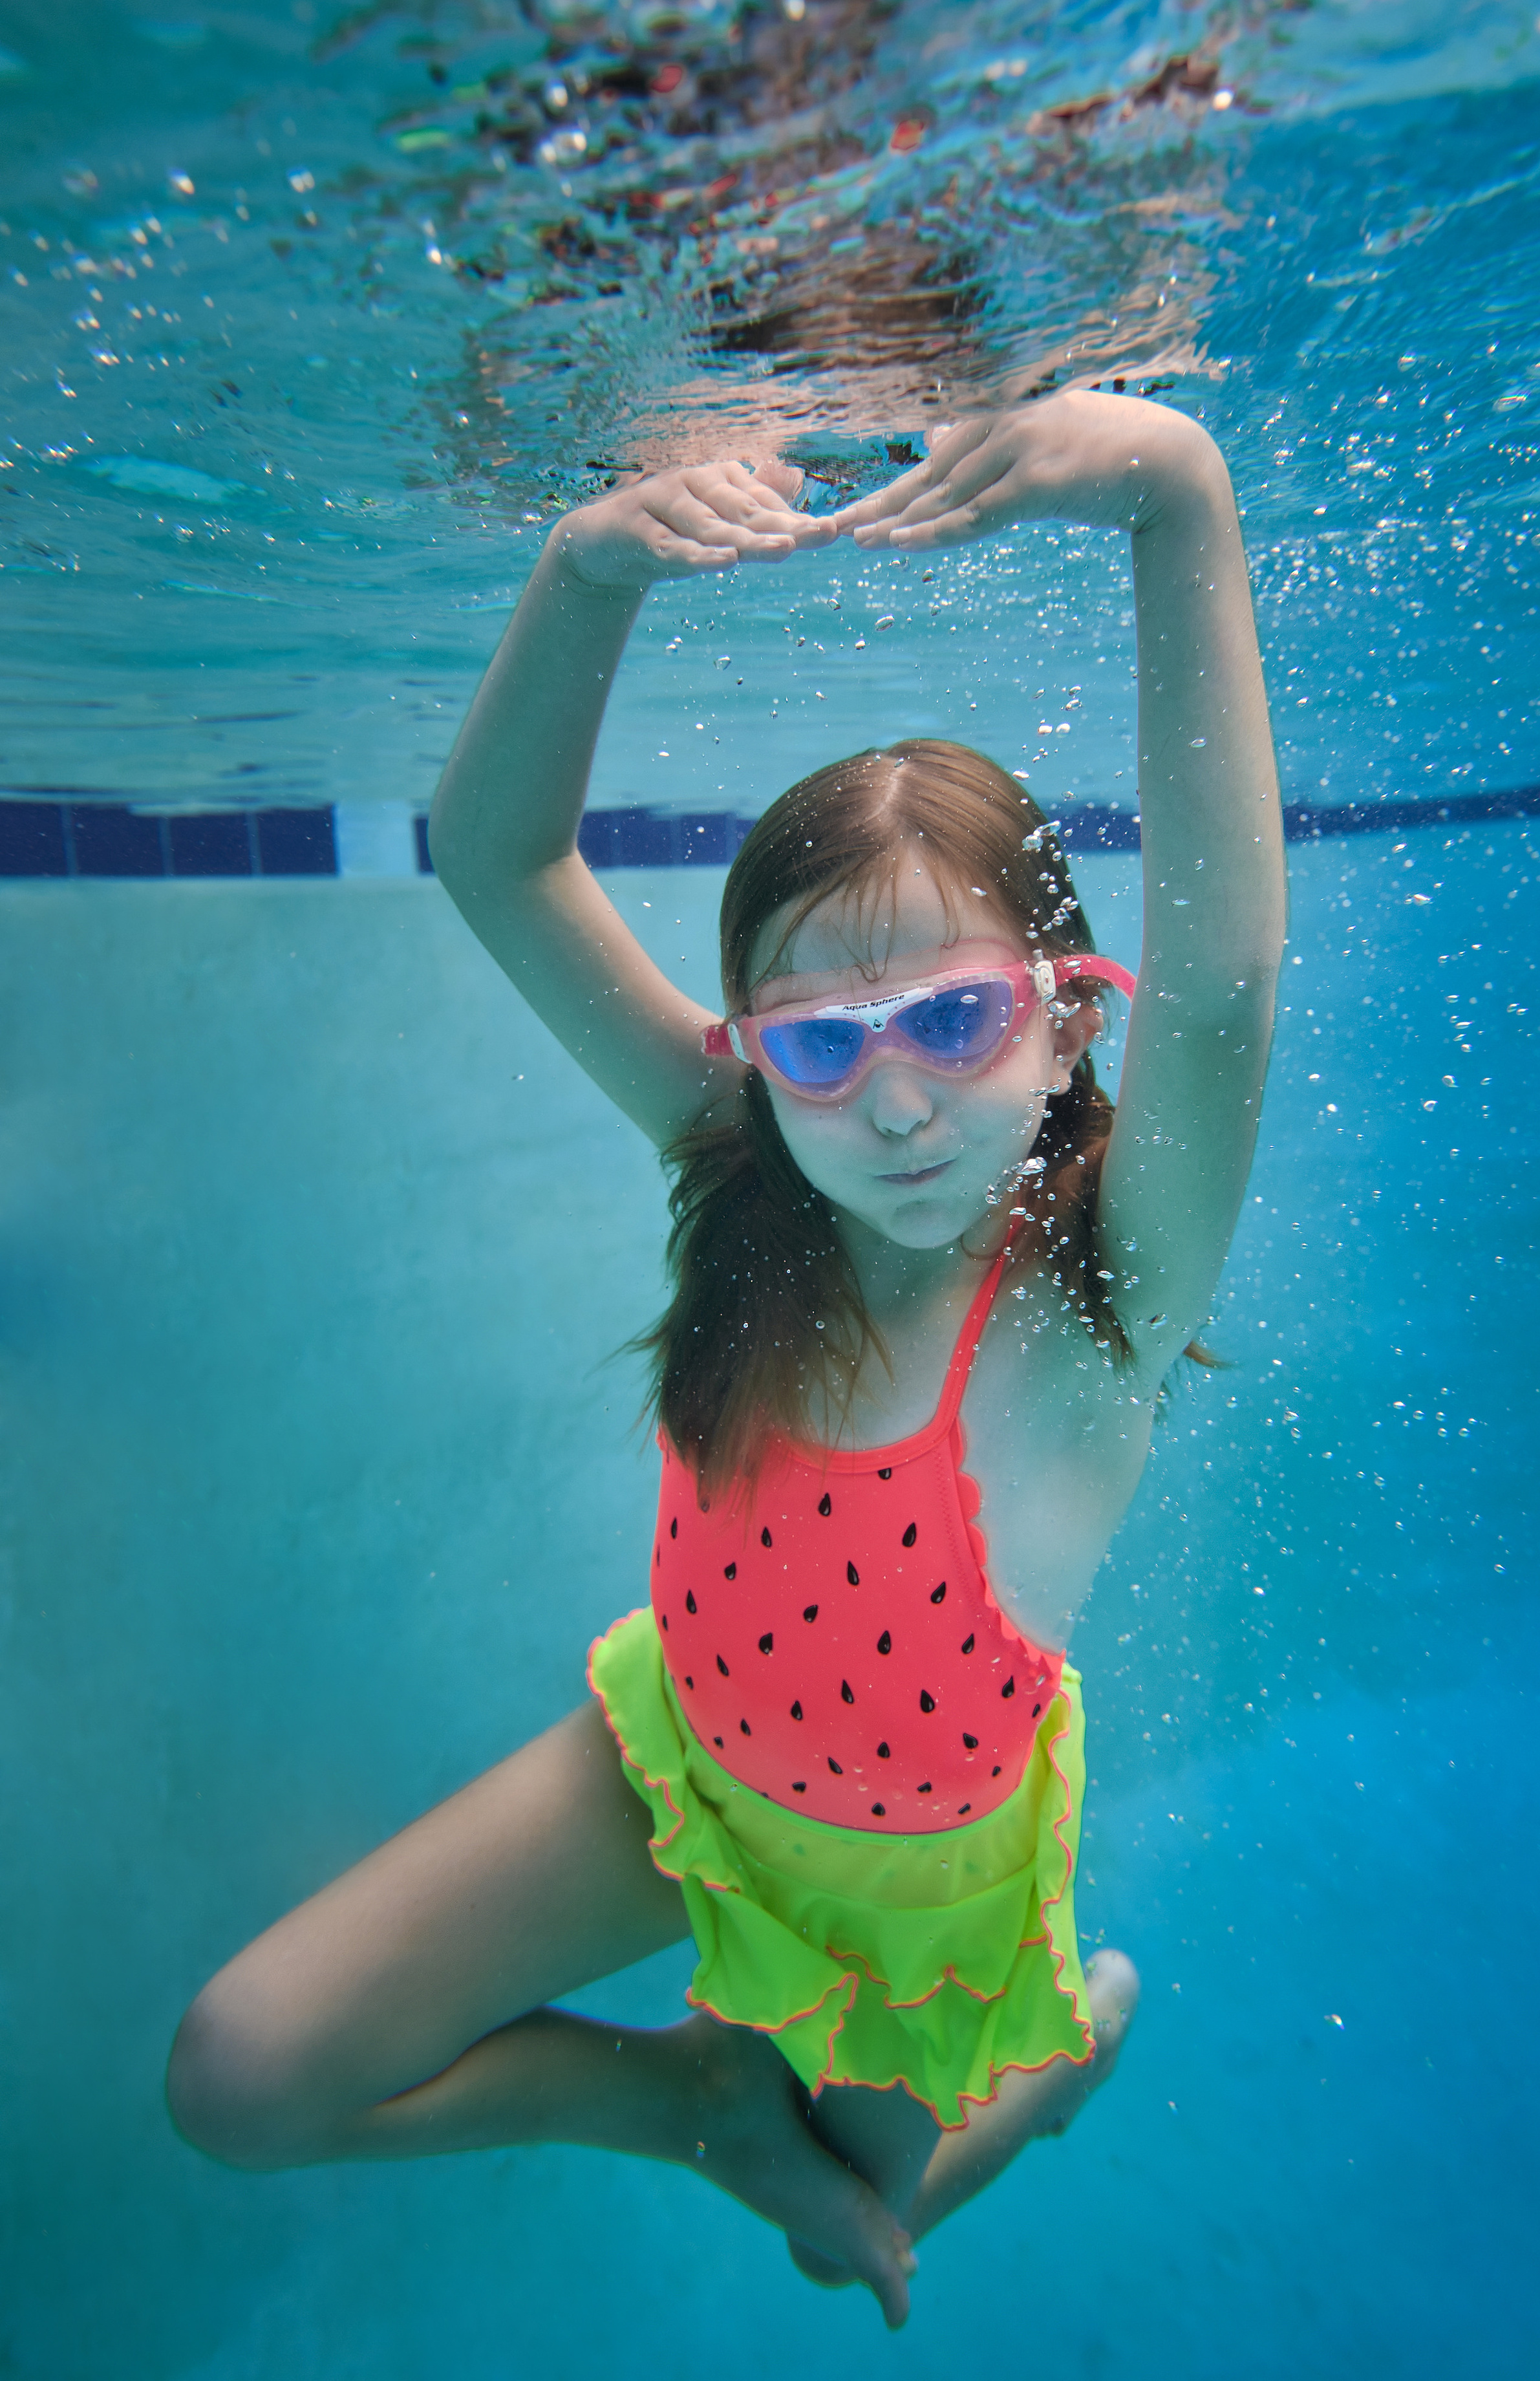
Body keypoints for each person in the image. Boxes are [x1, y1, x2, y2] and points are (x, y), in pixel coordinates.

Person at [167, 392, 1284, 2329]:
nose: (901, 1101)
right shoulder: (745, 1170)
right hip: (673, 1764)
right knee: (242, 2078)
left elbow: (1227, 981)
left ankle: (1064, 2055)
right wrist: (585, 567)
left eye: (955, 1017)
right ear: (758, 1065)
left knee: (875, 2209)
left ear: (1064, 1021)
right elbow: (503, 866)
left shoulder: (1098, 1297)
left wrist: (1177, 503)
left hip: (898, 1883)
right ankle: (691, 2101)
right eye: (825, 1042)